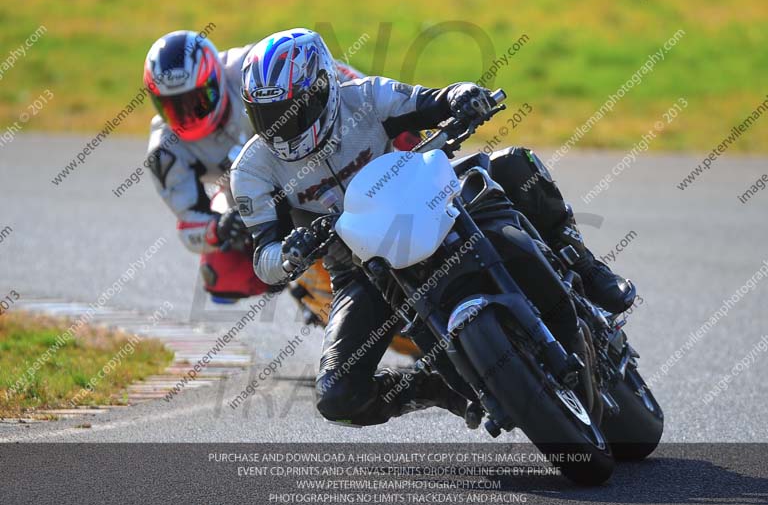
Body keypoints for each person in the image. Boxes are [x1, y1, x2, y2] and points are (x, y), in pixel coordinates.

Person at [230, 28, 636, 426]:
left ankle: (584, 264)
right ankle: (432, 387)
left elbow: (433, 100)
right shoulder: (251, 169)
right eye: (267, 115)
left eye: (293, 110)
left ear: (323, 89)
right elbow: (263, 260)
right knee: (337, 395)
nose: (283, 126)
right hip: (362, 268)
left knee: (514, 163)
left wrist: (462, 96)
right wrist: (291, 252)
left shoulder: (366, 97)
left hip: (429, 202)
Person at [142, 30, 370, 301]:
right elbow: (189, 224)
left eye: (197, 101)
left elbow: (334, 74)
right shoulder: (164, 151)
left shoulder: (251, 66)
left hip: (311, 162)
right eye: (172, 107)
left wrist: (371, 102)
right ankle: (311, 291)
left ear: (216, 78)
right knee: (221, 276)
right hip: (246, 195)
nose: (188, 116)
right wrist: (220, 228)